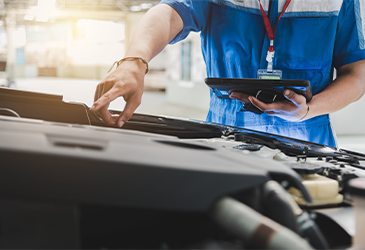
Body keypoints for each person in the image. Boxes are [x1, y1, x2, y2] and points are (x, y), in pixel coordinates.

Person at [90, 0, 365, 148]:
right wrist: (134, 61)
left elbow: (356, 73)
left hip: (307, 138)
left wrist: (308, 110)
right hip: (226, 133)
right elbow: (170, 12)